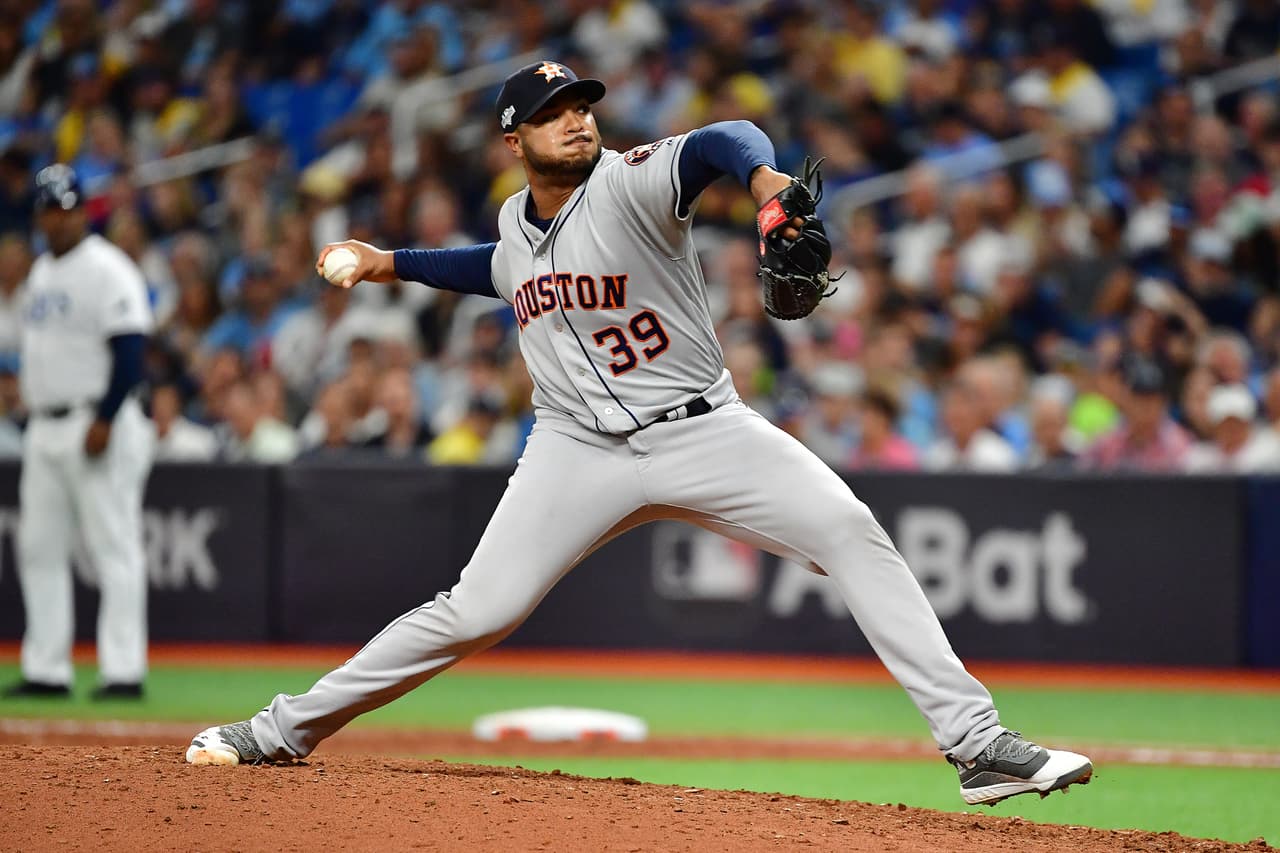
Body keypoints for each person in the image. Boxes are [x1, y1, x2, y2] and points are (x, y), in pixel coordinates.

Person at [185, 60, 1092, 806]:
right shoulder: (513, 229)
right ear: (515, 140)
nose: (576, 121)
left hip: (706, 429)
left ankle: (975, 744)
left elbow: (723, 143)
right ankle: (277, 731)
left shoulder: (630, 180)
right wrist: (387, 263)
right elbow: (487, 266)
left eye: (582, 105)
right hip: (574, 448)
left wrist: (769, 186)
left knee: (851, 530)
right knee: (476, 610)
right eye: (552, 112)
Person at [4, 164, 153, 700]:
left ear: (82, 210)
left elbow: (131, 349)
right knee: (38, 548)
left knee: (114, 547)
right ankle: (47, 668)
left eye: (67, 209)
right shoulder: (42, 272)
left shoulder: (108, 268)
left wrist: (107, 416)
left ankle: (123, 670)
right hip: (45, 427)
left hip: (97, 421)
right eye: (50, 209)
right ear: (39, 215)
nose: (59, 218)